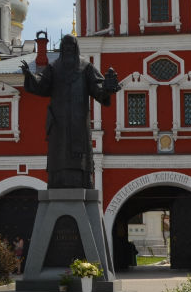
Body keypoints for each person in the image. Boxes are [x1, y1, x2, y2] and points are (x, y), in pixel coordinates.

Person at [19, 34, 120, 189]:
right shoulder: (53, 68)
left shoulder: (86, 67)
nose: (67, 48)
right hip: (58, 121)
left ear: (75, 48)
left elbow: (98, 91)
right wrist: (29, 76)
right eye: (65, 46)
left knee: (80, 154)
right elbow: (42, 86)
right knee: (58, 153)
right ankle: (56, 183)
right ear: (61, 48)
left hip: (78, 121)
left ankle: (83, 182)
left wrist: (107, 88)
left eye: (71, 45)